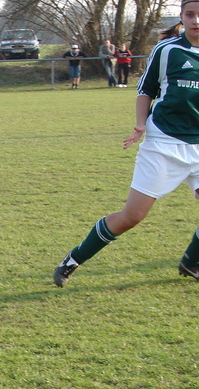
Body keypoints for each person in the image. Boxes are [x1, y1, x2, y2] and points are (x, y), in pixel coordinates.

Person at [53, 1, 199, 287]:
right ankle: (73, 259)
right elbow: (146, 89)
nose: (196, 20)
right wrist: (140, 124)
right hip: (164, 143)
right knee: (132, 216)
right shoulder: (167, 50)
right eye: (190, 14)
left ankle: (191, 261)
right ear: (181, 17)